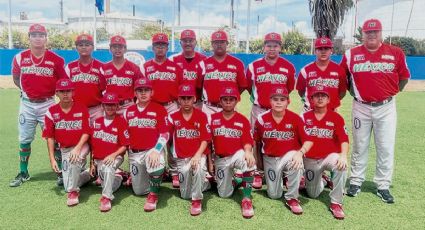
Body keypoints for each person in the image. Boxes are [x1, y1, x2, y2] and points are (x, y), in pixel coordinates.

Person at [340, 18, 410, 203]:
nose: (371, 35)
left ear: (381, 33)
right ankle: (355, 182)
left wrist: (391, 92)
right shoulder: (350, 54)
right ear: (362, 34)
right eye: (368, 32)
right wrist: (354, 92)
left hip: (386, 107)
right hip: (361, 106)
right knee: (359, 145)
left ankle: (383, 185)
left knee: (385, 146)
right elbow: (343, 78)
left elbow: (404, 77)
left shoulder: (395, 52)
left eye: (375, 32)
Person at [10, 23, 67, 187]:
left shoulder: (56, 59)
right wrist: (29, 91)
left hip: (48, 103)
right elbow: (16, 79)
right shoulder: (20, 57)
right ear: (29, 38)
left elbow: (62, 81)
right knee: (24, 139)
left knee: (55, 138)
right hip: (27, 104)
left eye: (41, 35)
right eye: (34, 35)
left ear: (45, 38)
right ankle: (23, 172)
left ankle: (61, 172)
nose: (37, 38)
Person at [246, 32, 296, 189]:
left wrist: (278, 103)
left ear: (280, 47)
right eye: (269, 45)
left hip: (280, 110)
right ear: (264, 47)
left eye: (275, 45)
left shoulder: (288, 66)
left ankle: (285, 172)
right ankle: (258, 172)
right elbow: (249, 87)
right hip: (259, 109)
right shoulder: (254, 66)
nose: (272, 48)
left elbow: (289, 88)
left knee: (281, 139)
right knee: (256, 141)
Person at [253, 86, 312, 215]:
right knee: (274, 195)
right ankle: (284, 178)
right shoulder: (261, 119)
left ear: (288, 101)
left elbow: (308, 141)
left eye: (282, 99)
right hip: (270, 158)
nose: (279, 102)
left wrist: (300, 153)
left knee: (296, 162)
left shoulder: (296, 118)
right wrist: (258, 162)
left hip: (289, 156)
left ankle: (292, 198)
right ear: (270, 101)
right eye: (275, 99)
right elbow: (257, 142)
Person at [142, 32, 184, 187]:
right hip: (153, 106)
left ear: (167, 47)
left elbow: (181, 89)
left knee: (172, 138)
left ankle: (174, 171)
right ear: (152, 47)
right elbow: (141, 88)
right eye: (157, 45)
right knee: (153, 136)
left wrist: (180, 106)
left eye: (163, 45)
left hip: (171, 105)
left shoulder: (176, 67)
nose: (160, 48)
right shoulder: (146, 66)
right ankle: (154, 167)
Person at [302, 85, 349, 220]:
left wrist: (343, 156)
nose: (320, 98)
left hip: (329, 157)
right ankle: (322, 179)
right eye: (317, 95)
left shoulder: (336, 117)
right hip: (310, 159)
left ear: (329, 100)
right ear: (311, 99)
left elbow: (344, 140)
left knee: (341, 165)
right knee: (312, 194)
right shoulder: (304, 117)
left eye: (324, 95)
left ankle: (336, 203)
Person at [42, 78, 91, 206]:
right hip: (64, 149)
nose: (65, 94)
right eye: (62, 91)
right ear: (56, 93)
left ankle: (74, 192)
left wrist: (78, 148)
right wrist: (52, 159)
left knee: (74, 162)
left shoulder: (81, 108)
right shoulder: (51, 112)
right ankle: (89, 174)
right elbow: (50, 137)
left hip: (82, 145)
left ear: (73, 92)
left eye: (68, 91)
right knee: (66, 184)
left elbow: (87, 132)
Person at [210, 86, 256, 218]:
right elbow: (207, 142)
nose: (228, 102)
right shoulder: (213, 118)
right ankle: (236, 180)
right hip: (220, 158)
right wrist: (210, 162)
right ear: (220, 101)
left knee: (249, 162)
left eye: (231, 99)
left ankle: (247, 199)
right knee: (224, 194)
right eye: (225, 99)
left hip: (237, 155)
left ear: (236, 101)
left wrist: (248, 151)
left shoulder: (242, 120)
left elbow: (247, 140)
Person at [124, 78, 169, 212]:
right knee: (138, 191)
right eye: (140, 90)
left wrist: (157, 150)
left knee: (156, 163)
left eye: (146, 90)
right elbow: (126, 136)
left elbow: (165, 134)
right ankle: (148, 177)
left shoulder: (159, 109)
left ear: (152, 92)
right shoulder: (129, 111)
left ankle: (153, 195)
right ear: (135, 93)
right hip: (135, 154)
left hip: (151, 151)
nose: (143, 93)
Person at [167, 84, 211, 216]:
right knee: (185, 195)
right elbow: (166, 137)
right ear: (178, 100)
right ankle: (206, 183)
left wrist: (198, 155)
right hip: (181, 158)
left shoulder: (202, 116)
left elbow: (205, 139)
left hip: (197, 156)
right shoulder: (172, 117)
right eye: (183, 98)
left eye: (189, 98)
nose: (186, 101)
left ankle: (197, 200)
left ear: (194, 99)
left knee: (197, 167)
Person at [90, 92, 130, 212]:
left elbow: (125, 145)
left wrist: (113, 155)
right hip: (98, 159)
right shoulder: (97, 122)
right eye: (107, 104)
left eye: (113, 105)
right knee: (106, 181)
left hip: (115, 157)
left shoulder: (121, 122)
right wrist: (92, 163)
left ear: (117, 106)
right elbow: (93, 145)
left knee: (107, 170)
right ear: (102, 105)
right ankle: (119, 177)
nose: (110, 107)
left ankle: (106, 198)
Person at [198, 30, 248, 119]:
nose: (219, 44)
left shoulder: (237, 63)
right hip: (209, 108)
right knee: (208, 133)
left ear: (227, 43)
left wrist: (231, 96)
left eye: (222, 42)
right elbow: (198, 86)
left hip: (230, 109)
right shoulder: (203, 63)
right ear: (212, 44)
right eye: (216, 42)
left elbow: (242, 86)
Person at [296, 37, 346, 112]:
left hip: (331, 111)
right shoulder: (305, 70)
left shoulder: (339, 70)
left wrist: (330, 103)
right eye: (320, 49)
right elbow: (301, 92)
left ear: (331, 50)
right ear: (315, 51)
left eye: (326, 48)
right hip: (310, 110)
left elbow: (342, 92)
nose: (323, 52)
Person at [65, 34, 106, 124]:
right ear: (76, 48)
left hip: (96, 110)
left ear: (92, 47)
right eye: (80, 45)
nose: (84, 47)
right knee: (77, 137)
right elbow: (65, 90)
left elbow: (106, 89)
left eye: (87, 45)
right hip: (76, 109)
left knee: (97, 136)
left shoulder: (101, 66)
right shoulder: (70, 67)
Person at [102, 35, 143, 115]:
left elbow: (140, 87)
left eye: (120, 47)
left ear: (125, 49)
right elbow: (100, 89)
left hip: (127, 105)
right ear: (110, 49)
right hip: (109, 105)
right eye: (114, 47)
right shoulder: (104, 68)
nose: (117, 49)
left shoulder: (134, 67)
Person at [169, 29, 207, 109]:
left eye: (191, 40)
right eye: (185, 41)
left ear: (195, 42)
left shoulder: (204, 60)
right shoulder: (172, 59)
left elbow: (204, 85)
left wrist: (200, 102)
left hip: (197, 103)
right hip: (177, 103)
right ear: (180, 43)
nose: (188, 43)